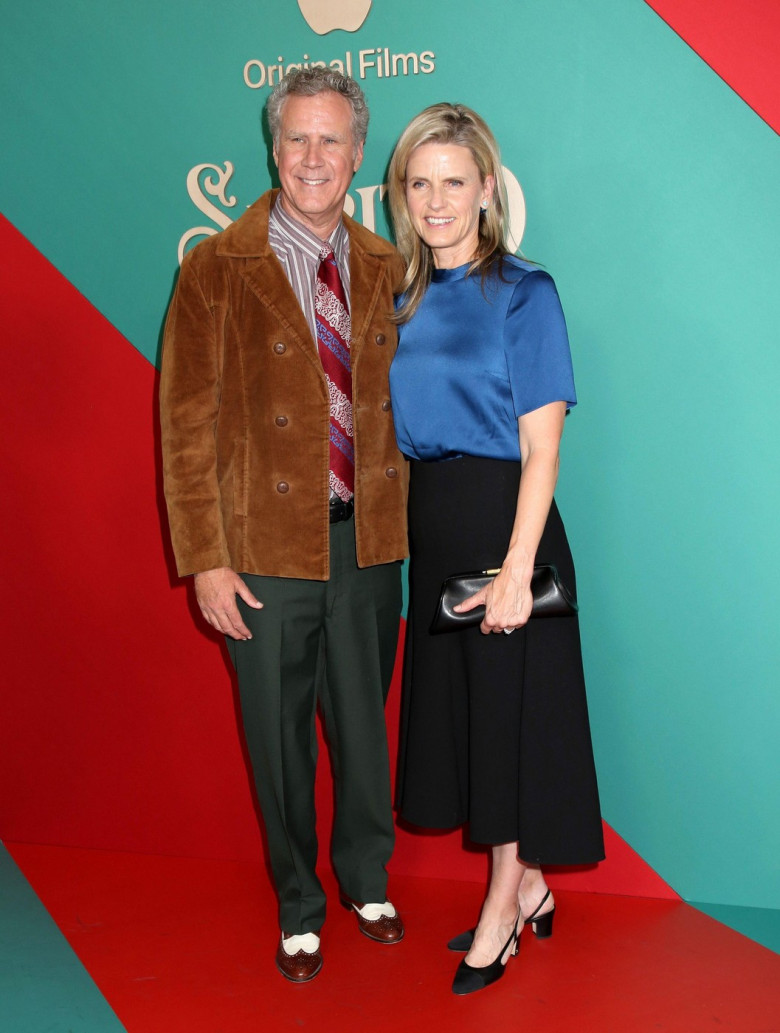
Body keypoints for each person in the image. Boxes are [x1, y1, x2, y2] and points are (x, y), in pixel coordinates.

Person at [159, 67, 408, 984]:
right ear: (274, 147)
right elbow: (185, 425)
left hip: (370, 542)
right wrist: (206, 561)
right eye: (297, 138)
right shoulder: (216, 266)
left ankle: (364, 876)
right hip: (262, 551)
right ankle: (300, 900)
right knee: (278, 736)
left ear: (357, 154)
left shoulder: (386, 265)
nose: (313, 157)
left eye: (331, 140)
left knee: (363, 726)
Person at [387, 103, 604, 996]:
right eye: (420, 183)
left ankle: (502, 907)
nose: (437, 200)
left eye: (455, 182)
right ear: (403, 195)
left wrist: (518, 568)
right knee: (475, 723)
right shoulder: (401, 296)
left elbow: (544, 444)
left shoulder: (524, 290)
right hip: (435, 527)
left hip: (506, 524)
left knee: (509, 721)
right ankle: (536, 884)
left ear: (487, 192)